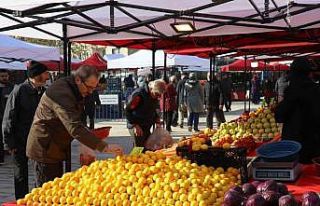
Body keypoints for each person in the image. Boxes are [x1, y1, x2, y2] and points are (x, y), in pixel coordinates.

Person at [26, 65, 123, 187]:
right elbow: (74, 126)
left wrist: (86, 143)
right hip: (44, 148)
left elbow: (78, 119)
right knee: (46, 189)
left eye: (94, 88)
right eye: (89, 87)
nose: (90, 92)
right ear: (78, 80)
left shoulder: (75, 90)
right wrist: (103, 147)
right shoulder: (61, 93)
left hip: (56, 147)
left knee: (56, 187)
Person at [2, 61, 49, 199]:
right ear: (37, 75)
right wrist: (9, 143)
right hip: (19, 140)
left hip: (37, 140)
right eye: (45, 73)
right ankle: (21, 200)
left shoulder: (43, 91)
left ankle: (37, 198)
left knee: (40, 172)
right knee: (20, 175)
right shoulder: (19, 91)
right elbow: (8, 118)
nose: (47, 76)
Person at [275, 57, 320, 164]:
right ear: (309, 74)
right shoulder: (317, 90)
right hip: (313, 146)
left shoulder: (291, 91)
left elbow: (279, 116)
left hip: (293, 148)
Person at [126, 79, 166, 147]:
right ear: (151, 89)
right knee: (139, 148)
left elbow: (152, 109)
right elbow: (127, 111)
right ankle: (134, 157)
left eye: (160, 95)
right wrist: (135, 125)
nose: (158, 97)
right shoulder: (139, 95)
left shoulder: (154, 96)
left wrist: (157, 119)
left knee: (148, 148)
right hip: (137, 125)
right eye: (157, 94)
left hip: (146, 125)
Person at [0, 69, 14, 165]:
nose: (4, 78)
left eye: (6, 76)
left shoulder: (12, 88)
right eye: (2, 76)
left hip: (8, 116)